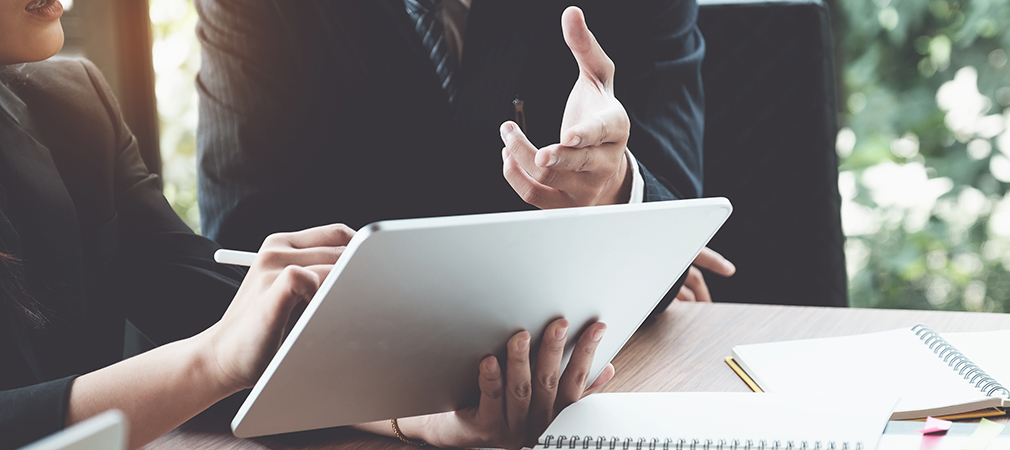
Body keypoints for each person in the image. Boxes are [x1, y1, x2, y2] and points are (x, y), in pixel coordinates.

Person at [0, 1, 612, 448]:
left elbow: (200, 304)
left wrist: (422, 415)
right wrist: (209, 362)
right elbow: (214, 347)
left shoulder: (69, 104)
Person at [194, 0, 736, 304]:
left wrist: (617, 195)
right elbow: (249, 247)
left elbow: (673, 213)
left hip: (587, 364)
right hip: (356, 375)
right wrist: (604, 262)